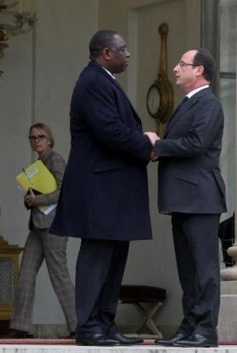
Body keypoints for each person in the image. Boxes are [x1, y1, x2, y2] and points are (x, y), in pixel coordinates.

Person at [49, 29, 153, 346]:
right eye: (124, 49)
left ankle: (106, 324)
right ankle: (89, 325)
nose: (128, 54)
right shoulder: (94, 82)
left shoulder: (103, 79)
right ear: (107, 52)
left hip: (111, 189)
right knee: (97, 256)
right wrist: (144, 143)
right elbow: (109, 131)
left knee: (114, 256)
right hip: (99, 188)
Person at [144, 48, 226, 348]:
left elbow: (196, 144)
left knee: (204, 269)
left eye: (182, 64)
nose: (176, 69)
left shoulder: (208, 104)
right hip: (184, 198)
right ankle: (189, 327)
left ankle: (206, 330)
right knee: (188, 269)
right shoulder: (190, 103)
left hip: (200, 197)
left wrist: (159, 145)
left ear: (199, 70)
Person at [2, 123, 76, 339]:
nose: (37, 140)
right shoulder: (38, 164)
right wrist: (29, 200)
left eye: (41, 136)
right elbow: (37, 196)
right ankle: (20, 326)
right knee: (25, 275)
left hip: (53, 226)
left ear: (49, 139)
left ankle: (78, 326)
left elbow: (64, 191)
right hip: (37, 226)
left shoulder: (56, 160)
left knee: (59, 277)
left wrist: (38, 199)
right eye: (33, 137)